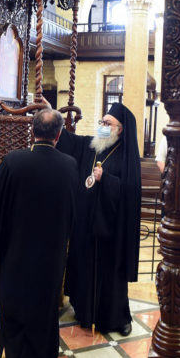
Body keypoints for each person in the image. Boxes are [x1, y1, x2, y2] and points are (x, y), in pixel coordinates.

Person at [0, 109, 78, 358]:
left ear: (32, 131)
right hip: (51, 255)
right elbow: (73, 212)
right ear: (58, 135)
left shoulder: (13, 162)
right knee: (45, 305)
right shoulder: (69, 165)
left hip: (17, 253)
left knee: (17, 305)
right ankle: (45, 355)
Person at [57, 102, 141, 336]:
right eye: (102, 122)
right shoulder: (92, 145)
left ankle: (117, 318)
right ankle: (84, 311)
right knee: (83, 265)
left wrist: (107, 180)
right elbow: (69, 140)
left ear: (120, 129)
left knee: (110, 274)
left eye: (108, 123)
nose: (103, 126)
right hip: (85, 222)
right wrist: (52, 113)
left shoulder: (126, 156)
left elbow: (130, 191)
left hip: (110, 228)